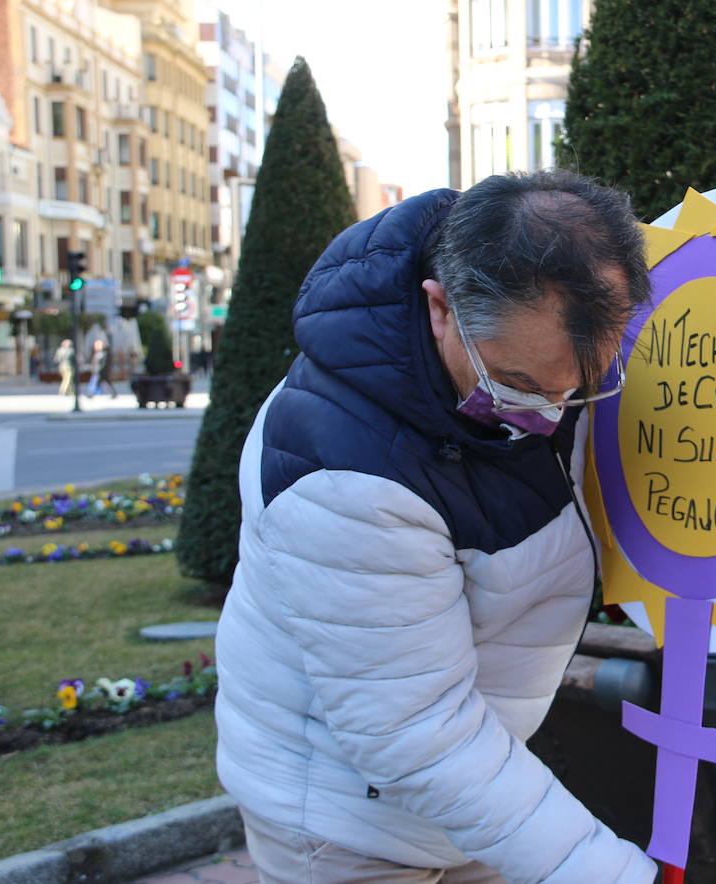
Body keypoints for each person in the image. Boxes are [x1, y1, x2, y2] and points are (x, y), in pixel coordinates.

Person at [216, 170, 656, 884]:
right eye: (520, 385)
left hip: (459, 798)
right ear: (440, 306)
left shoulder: (532, 351)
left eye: (582, 386)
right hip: (346, 826)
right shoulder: (345, 476)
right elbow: (416, 734)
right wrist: (604, 871)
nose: (553, 413)